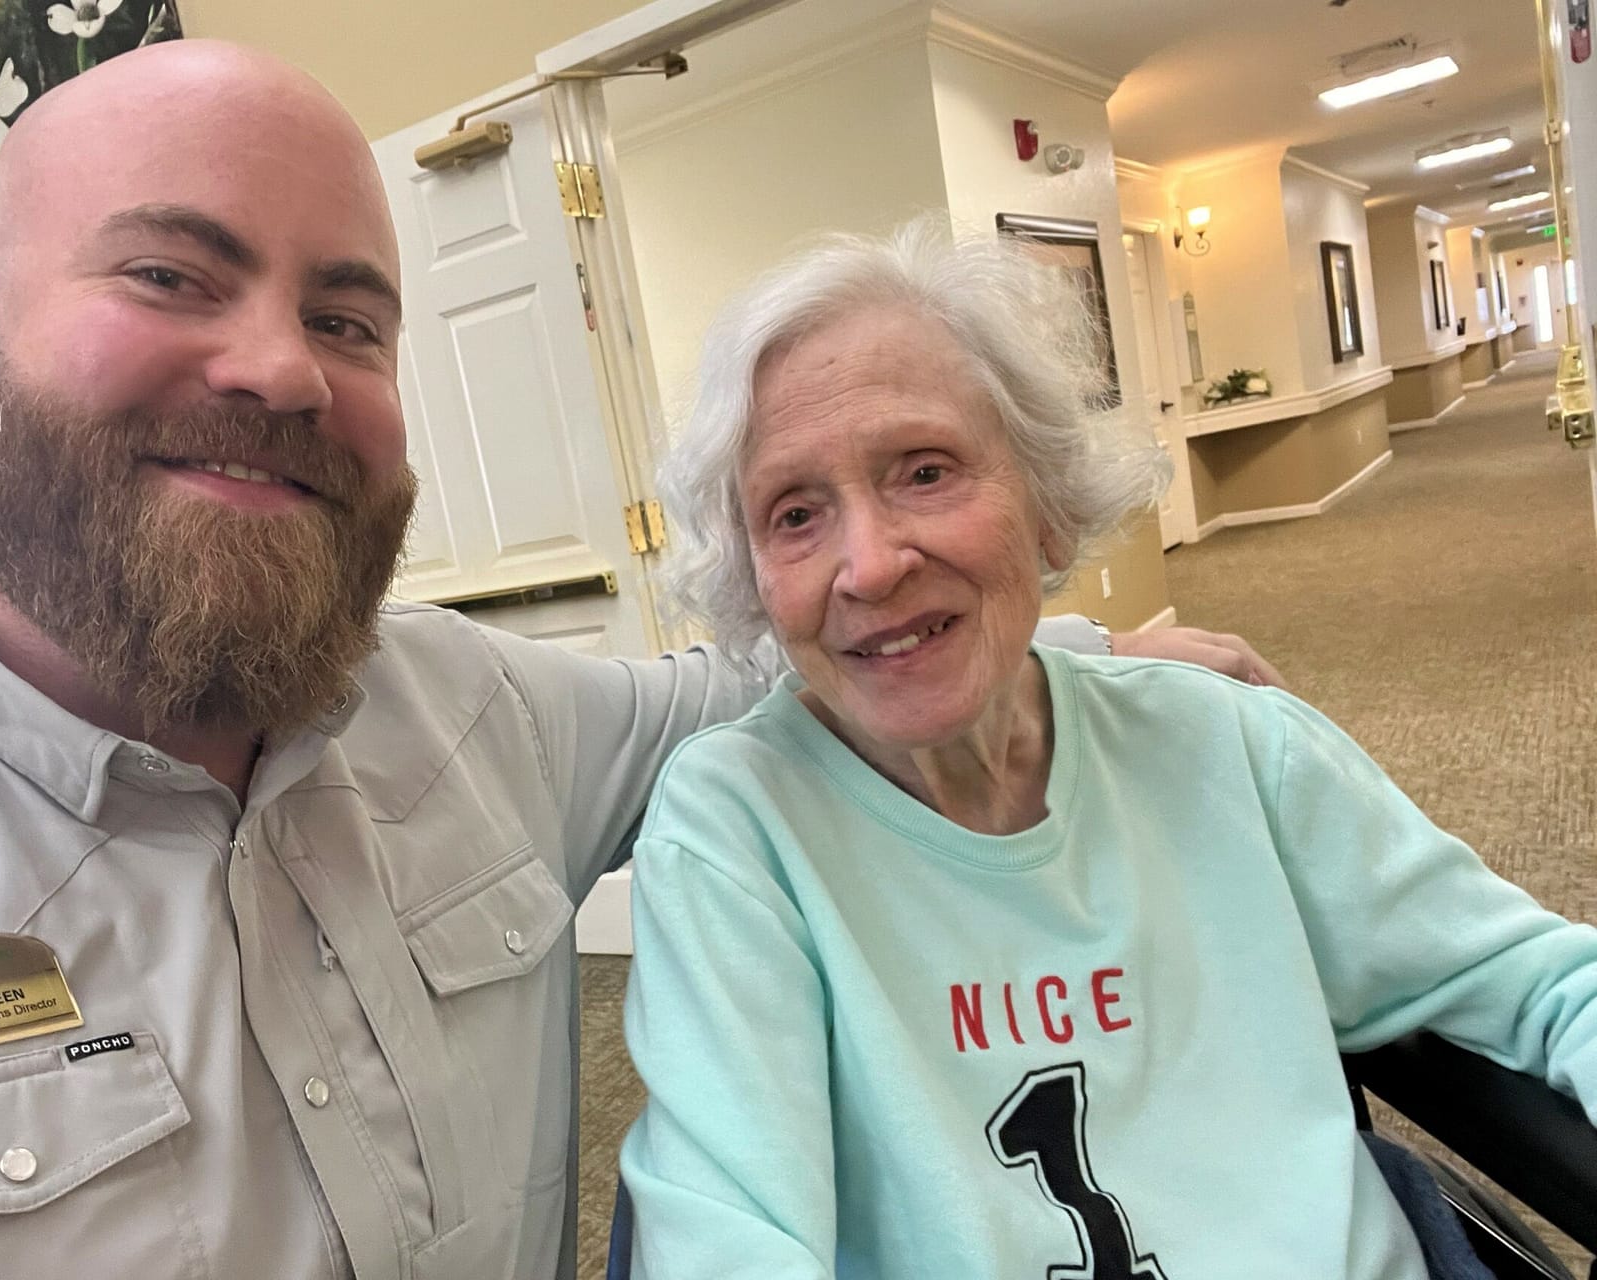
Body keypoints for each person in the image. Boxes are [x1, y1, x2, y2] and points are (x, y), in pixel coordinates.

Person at [0, 41, 1273, 1280]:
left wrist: (1076, 642)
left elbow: (777, 680)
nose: (281, 368)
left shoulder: (472, 714)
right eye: (170, 274)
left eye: (350, 319)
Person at [616, 223, 1597, 1278]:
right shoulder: (736, 832)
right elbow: (726, 1238)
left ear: (1045, 504)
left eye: (925, 470)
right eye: (795, 512)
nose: (869, 563)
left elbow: (1545, 983)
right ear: (757, 579)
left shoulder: (1221, 738)